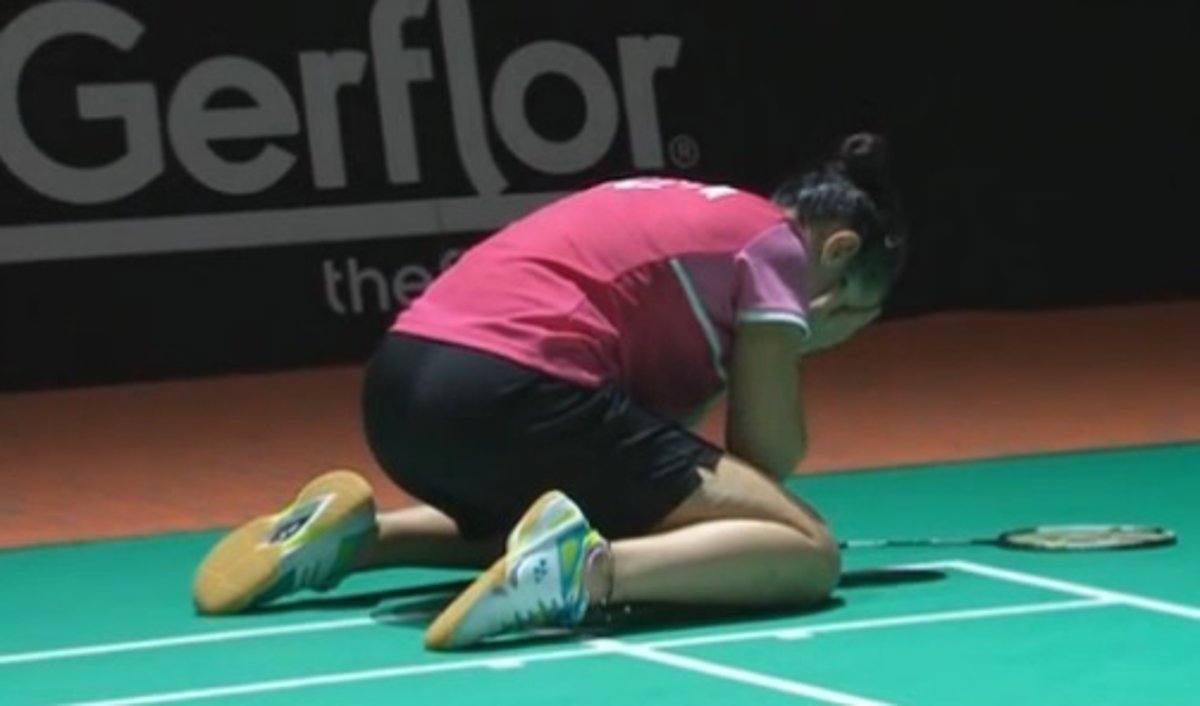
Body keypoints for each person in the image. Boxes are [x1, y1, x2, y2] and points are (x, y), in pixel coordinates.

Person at [192, 132, 908, 651]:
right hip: (513, 385)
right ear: (838, 250)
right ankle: (583, 573)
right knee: (808, 550)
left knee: (601, 510)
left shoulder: (694, 216)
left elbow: (647, 467)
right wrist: (791, 342)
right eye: (850, 315)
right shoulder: (777, 245)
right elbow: (766, 452)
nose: (837, 335)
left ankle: (355, 540)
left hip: (402, 392)